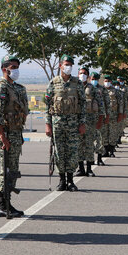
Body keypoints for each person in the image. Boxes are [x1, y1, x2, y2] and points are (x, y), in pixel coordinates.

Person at [45, 55, 86, 191]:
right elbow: (47, 105)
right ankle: (62, 180)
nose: (68, 67)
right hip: (58, 123)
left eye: (70, 65)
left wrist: (82, 123)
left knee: (72, 152)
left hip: (74, 123)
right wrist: (48, 124)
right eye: (66, 64)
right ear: (60, 66)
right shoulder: (53, 83)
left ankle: (71, 180)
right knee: (59, 153)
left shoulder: (77, 83)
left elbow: (83, 105)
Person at [0, 54, 27, 218]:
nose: (15, 70)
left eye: (16, 67)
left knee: (13, 170)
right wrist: (3, 136)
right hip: (6, 135)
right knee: (5, 170)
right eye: (12, 67)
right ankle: (3, 204)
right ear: (4, 69)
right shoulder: (1, 88)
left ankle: (8, 202)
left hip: (16, 133)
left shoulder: (18, 88)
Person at [76, 67, 105, 177]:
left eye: (84, 73)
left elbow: (100, 104)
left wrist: (100, 120)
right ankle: (80, 168)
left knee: (89, 145)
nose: (82, 75)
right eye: (80, 73)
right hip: (77, 121)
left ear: (88, 76)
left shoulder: (92, 88)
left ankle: (89, 169)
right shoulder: (75, 88)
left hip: (90, 121)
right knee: (78, 145)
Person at [102, 74, 123, 158]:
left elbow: (120, 103)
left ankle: (111, 151)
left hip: (113, 116)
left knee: (112, 134)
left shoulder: (116, 91)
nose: (107, 83)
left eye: (108, 81)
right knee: (104, 134)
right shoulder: (101, 90)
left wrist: (120, 114)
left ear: (111, 82)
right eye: (105, 81)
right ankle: (105, 151)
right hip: (103, 116)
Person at [96, 72, 111, 166]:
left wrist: (107, 116)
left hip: (99, 117)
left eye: (95, 79)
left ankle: (99, 158)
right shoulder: (82, 87)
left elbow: (106, 104)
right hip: (87, 118)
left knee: (100, 138)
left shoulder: (102, 89)